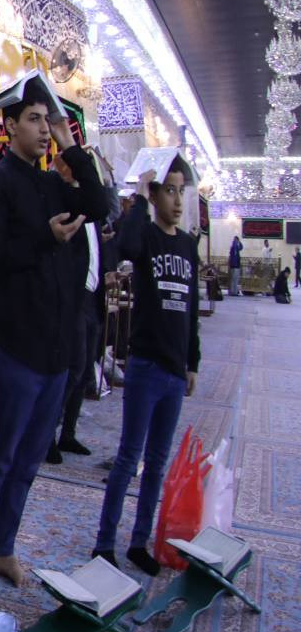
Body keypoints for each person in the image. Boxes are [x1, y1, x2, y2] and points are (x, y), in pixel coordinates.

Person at [0, 74, 107, 599]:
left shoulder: (52, 184)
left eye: (51, 121)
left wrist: (71, 145)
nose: (45, 130)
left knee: (27, 463)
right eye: (37, 120)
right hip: (16, 344)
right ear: (10, 125)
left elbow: (100, 206)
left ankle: (2, 550)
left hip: (57, 348)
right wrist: (44, 238)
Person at [94, 160, 201, 574]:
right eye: (168, 191)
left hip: (174, 370)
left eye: (180, 191)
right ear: (155, 196)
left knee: (157, 462)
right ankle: (105, 543)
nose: (177, 200)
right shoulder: (147, 238)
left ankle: (139, 542)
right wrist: (138, 197)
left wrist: (192, 362)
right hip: (145, 365)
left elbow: (190, 310)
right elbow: (124, 246)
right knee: (128, 457)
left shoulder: (187, 245)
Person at [48, 151, 107, 464]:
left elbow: (105, 209)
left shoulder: (90, 209)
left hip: (92, 297)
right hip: (74, 298)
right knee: (73, 368)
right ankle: (47, 435)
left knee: (85, 371)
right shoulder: (65, 204)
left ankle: (68, 433)